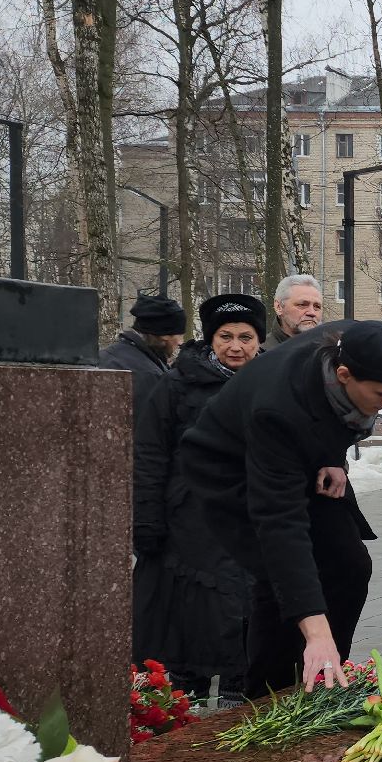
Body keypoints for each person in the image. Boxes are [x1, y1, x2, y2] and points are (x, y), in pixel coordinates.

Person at [179, 320, 382, 695]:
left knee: (350, 565)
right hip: (228, 469)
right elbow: (280, 525)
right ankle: (267, 695)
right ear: (343, 374)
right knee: (280, 579)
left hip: (297, 454)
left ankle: (323, 677)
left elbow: (336, 418)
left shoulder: (358, 341)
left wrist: (334, 458)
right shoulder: (279, 409)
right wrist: (316, 629)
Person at [131, 293, 267, 696]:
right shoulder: (177, 384)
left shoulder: (272, 380)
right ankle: (182, 703)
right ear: (211, 339)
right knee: (190, 619)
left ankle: (235, 700)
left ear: (259, 340)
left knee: (246, 612)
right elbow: (150, 453)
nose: (236, 346)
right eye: (225, 336)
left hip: (249, 518)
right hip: (188, 521)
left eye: (246, 336)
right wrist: (147, 520)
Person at [99, 294, 186, 417]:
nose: (181, 342)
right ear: (165, 335)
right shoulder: (150, 376)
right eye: (180, 334)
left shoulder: (102, 357)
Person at [267, 274, 325, 348]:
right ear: (279, 307)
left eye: (317, 307)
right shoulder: (257, 354)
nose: (312, 313)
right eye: (302, 305)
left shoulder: (332, 353)